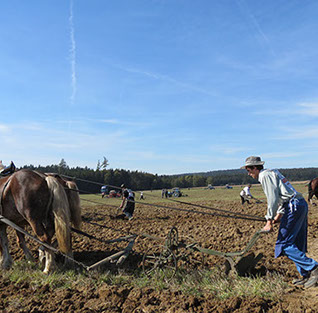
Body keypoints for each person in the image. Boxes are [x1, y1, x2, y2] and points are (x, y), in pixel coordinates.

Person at [241, 156, 318, 288]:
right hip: (299, 204)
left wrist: (269, 220)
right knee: (297, 243)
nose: (248, 173)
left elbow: (273, 198)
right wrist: (279, 215)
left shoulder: (264, 176)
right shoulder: (272, 172)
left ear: (255, 167)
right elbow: (284, 195)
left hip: (293, 206)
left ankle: (314, 268)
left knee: (284, 244)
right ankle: (306, 275)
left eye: (249, 170)